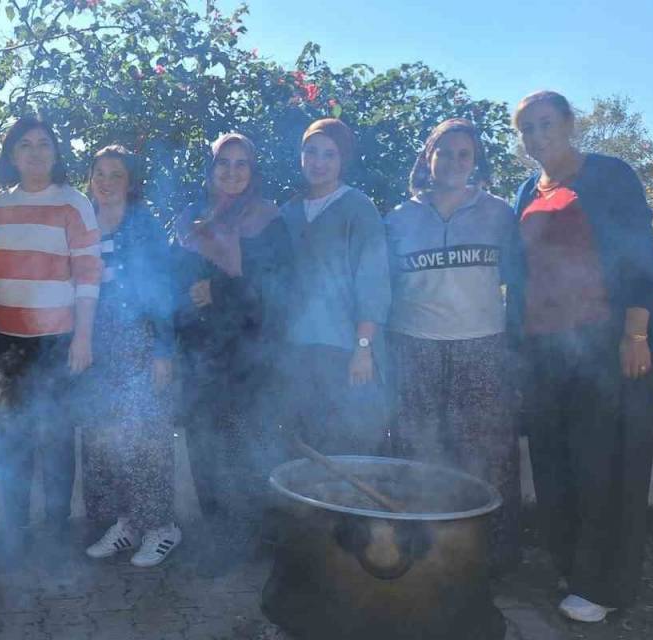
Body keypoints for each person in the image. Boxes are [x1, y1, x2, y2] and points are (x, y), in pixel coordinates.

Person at [506, 91, 653, 623]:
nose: (536, 137)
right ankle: (571, 566)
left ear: (569, 124)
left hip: (607, 345)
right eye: (526, 129)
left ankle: (603, 585)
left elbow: (640, 255)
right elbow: (519, 274)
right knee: (556, 462)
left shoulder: (609, 176)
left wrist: (635, 334)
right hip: (546, 350)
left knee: (605, 463)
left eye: (545, 124)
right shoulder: (523, 191)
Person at [385, 118, 521, 572]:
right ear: (429, 158)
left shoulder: (499, 213)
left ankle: (490, 557)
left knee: (485, 454)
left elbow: (519, 278)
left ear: (475, 160)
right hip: (414, 345)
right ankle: (418, 549)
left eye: (465, 154)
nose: (455, 162)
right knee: (417, 448)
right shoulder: (399, 218)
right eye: (446, 153)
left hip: (481, 345)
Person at [0, 115, 102, 567]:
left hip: (58, 341)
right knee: (13, 439)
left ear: (56, 153)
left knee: (54, 438)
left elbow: (88, 274)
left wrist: (83, 338)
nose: (36, 152)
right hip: (7, 341)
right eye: (26, 145)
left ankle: (55, 532)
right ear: (13, 155)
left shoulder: (74, 203)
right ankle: (15, 532)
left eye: (44, 144)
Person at [174, 132, 292, 576]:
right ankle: (217, 536)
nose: (232, 172)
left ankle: (252, 535)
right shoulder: (188, 220)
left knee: (245, 443)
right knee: (204, 445)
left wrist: (219, 291)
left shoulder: (268, 219)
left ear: (253, 171)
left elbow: (277, 287)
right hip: (198, 353)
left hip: (248, 354)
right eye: (223, 163)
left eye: (242, 164)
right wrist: (191, 297)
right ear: (210, 169)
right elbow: (172, 281)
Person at [77, 145, 181, 567]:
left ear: (130, 182)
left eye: (115, 174)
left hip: (139, 343)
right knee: (105, 438)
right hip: (95, 347)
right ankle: (127, 522)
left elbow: (164, 292)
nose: (105, 181)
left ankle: (162, 527)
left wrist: (163, 350)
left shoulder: (145, 226)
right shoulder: (82, 222)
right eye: (99, 173)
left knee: (145, 437)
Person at [277, 118, 391, 457]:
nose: (319, 162)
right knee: (306, 445)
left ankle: (349, 512)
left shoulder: (358, 208)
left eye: (330, 154)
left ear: (343, 160)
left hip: (345, 350)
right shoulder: (288, 212)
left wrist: (363, 347)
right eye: (311, 152)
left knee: (347, 444)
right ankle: (309, 512)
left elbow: (373, 282)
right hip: (297, 349)